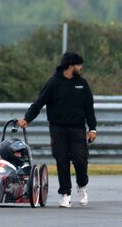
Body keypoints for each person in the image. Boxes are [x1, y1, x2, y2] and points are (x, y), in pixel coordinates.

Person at [17, 52, 97, 208]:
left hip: (78, 128)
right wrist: (27, 119)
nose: (81, 68)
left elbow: (89, 108)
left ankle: (82, 187)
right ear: (70, 66)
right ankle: (65, 194)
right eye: (78, 65)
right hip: (57, 128)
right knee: (62, 161)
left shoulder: (82, 84)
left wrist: (92, 129)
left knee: (80, 160)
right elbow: (39, 103)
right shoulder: (53, 83)